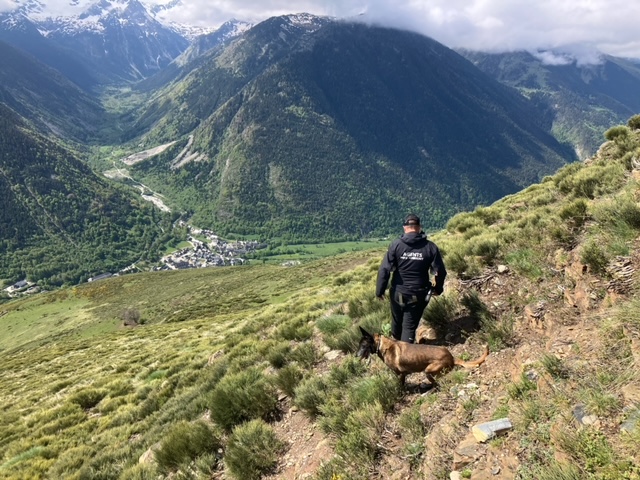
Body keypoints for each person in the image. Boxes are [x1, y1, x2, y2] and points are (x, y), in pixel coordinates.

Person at [376, 213, 447, 343]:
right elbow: (440, 272)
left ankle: (396, 349)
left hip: (398, 292)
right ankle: (405, 354)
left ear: (405, 227)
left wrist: (380, 291)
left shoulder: (396, 245)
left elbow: (384, 270)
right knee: (409, 325)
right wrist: (438, 289)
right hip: (418, 294)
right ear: (419, 227)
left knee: (397, 321)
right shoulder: (430, 247)